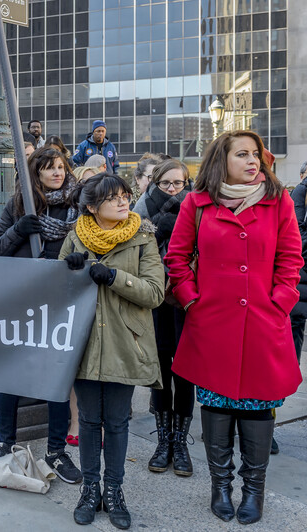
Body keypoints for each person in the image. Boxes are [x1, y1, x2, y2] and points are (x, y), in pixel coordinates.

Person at [166, 131, 302, 525]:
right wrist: (192, 299)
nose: (252, 161)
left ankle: (253, 491)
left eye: (255, 154)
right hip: (212, 324)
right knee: (217, 404)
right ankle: (220, 486)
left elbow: (291, 258)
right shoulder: (197, 203)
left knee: (260, 407)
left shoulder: (280, 202)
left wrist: (280, 302)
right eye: (241, 154)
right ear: (221, 160)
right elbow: (176, 257)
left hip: (264, 321)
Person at [56, 173, 164, 529]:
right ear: (91, 206)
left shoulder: (143, 237)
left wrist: (115, 277)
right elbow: (54, 297)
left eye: (125, 195)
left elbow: (154, 293)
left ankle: (114, 491)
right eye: (113, 198)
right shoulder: (74, 237)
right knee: (88, 421)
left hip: (125, 343)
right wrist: (67, 272)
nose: (123, 202)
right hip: (83, 345)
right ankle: (90, 489)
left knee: (117, 423)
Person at [0, 148, 82, 486]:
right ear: (35, 174)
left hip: (60, 307)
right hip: (22, 304)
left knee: (56, 378)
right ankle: (4, 442)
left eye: (60, 167)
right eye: (48, 169)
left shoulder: (78, 206)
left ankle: (56, 450)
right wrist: (18, 231)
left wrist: (78, 260)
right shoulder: (19, 206)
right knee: (11, 374)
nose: (57, 173)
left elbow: (92, 247)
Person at [130, 158, 196, 477]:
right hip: (154, 298)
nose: (172, 189)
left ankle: (180, 442)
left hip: (186, 299)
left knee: (185, 369)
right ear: (155, 182)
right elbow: (136, 253)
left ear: (187, 183)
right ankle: (164, 439)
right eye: (166, 183)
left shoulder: (196, 209)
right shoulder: (140, 210)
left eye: (178, 183)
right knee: (159, 369)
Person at [290, 160, 307, 359]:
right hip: (301, 270)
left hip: (301, 267)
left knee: (296, 323)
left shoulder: (299, 191)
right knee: (296, 322)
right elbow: (297, 232)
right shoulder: (301, 192)